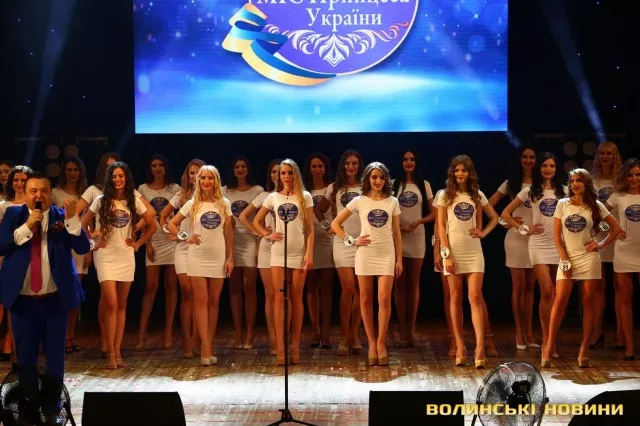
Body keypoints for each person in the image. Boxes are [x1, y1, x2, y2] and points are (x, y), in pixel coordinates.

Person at [0, 172, 89, 424]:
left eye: (44, 190)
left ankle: (53, 410)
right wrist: (27, 227)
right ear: (25, 193)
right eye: (33, 191)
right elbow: (1, 244)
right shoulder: (13, 215)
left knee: (55, 358)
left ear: (51, 194)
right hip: (23, 301)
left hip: (54, 301)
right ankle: (28, 409)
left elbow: (82, 247)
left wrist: (73, 220)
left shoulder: (62, 216)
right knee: (26, 359)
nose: (38, 195)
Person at [81, 162, 156, 369]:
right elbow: (83, 224)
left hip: (125, 255)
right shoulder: (100, 200)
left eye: (121, 176)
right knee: (111, 303)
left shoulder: (133, 200)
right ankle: (110, 353)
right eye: (114, 176)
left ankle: (118, 352)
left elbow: (152, 224)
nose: (118, 179)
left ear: (126, 178)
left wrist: (138, 243)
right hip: (105, 255)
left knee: (121, 305)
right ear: (109, 179)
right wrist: (92, 242)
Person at [543, 168, 620, 368]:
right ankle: (549, 345)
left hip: (589, 258)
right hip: (568, 258)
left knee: (588, 303)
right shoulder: (562, 204)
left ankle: (584, 347)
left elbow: (616, 228)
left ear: (586, 184)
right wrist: (564, 260)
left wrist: (600, 244)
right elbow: (557, 237)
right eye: (572, 181)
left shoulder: (596, 206)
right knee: (559, 301)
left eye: (579, 181)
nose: (575, 184)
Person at [331, 162, 402, 366]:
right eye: (374, 177)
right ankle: (371, 342)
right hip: (364, 254)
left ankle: (381, 343)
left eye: (381, 177)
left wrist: (399, 259)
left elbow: (396, 232)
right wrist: (351, 241)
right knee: (364, 299)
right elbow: (335, 224)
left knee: (384, 299)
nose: (378, 181)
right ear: (368, 179)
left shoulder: (392, 201)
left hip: (386, 254)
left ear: (386, 180)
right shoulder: (359, 201)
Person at [167, 165, 234, 366]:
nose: (206, 181)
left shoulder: (224, 203)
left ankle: (209, 343)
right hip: (196, 256)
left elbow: (229, 233)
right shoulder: (192, 204)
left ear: (216, 181)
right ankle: (204, 347)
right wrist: (185, 237)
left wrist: (230, 258)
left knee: (214, 301)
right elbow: (171, 224)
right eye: (203, 178)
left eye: (210, 178)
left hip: (218, 256)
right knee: (201, 301)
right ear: (198, 181)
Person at [437, 155, 499, 369]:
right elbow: (441, 227)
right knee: (455, 298)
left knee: (474, 297)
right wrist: (446, 254)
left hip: (474, 251)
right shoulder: (445, 195)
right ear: (452, 173)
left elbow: (494, 218)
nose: (460, 173)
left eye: (463, 170)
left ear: (469, 172)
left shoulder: (477, 194)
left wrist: (483, 233)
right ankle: (460, 346)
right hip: (453, 251)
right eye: (456, 170)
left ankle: (480, 347)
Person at [502, 152, 566, 358]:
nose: (548, 169)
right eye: (545, 166)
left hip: (558, 245)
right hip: (537, 244)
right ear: (539, 168)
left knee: (556, 294)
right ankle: (546, 340)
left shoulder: (564, 191)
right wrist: (525, 229)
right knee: (548, 291)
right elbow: (505, 214)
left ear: (557, 169)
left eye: (552, 166)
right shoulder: (530, 191)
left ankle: (551, 340)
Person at [253, 159, 314, 365]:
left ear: (295, 174)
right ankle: (280, 347)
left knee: (296, 298)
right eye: (283, 173)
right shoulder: (273, 197)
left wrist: (309, 253)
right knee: (279, 299)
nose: (286, 176)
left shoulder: (305, 196)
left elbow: (310, 230)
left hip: (299, 252)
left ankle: (295, 346)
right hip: (278, 253)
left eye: (289, 173)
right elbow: (256, 221)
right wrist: (267, 234)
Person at [488, 146, 539, 350]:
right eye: (525, 157)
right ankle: (519, 331)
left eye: (532, 157)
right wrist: (505, 222)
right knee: (518, 286)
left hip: (536, 239)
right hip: (516, 239)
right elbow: (489, 204)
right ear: (519, 159)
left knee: (530, 287)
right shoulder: (511, 183)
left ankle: (529, 332)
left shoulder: (541, 183)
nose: (528, 160)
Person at [159, 158, 205, 358]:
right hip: (184, 249)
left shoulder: (211, 197)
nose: (195, 176)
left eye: (198, 173)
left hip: (203, 249)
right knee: (187, 292)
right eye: (191, 173)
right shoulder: (181, 196)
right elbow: (163, 217)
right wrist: (178, 235)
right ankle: (187, 341)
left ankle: (198, 340)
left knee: (200, 297)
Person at [136, 154, 181, 350]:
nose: (157, 168)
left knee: (171, 286)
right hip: (153, 240)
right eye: (154, 165)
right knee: (150, 287)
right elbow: (143, 218)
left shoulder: (175, 188)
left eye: (161, 165)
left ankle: (168, 332)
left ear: (165, 167)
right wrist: (147, 244)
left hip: (171, 241)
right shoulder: (143, 189)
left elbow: (179, 216)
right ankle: (142, 333)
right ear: (150, 168)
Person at [392, 150, 435, 347]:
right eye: (405, 159)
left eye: (412, 159)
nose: (408, 162)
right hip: (398, 237)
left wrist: (418, 222)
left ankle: (411, 328)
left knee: (414, 283)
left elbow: (434, 213)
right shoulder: (393, 184)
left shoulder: (424, 185)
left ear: (416, 162)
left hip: (416, 237)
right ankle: (402, 328)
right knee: (399, 283)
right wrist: (397, 227)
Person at [238, 159, 281, 355]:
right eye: (274, 172)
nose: (277, 175)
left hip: (287, 249)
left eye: (281, 171)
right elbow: (243, 216)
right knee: (270, 295)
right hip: (267, 248)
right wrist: (261, 232)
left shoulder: (295, 196)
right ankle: (273, 339)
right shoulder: (264, 195)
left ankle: (283, 338)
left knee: (284, 296)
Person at [223, 156, 263, 350]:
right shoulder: (224, 191)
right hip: (231, 242)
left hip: (251, 240)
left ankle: (249, 333)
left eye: (243, 166)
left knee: (250, 287)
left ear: (248, 169)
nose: (240, 169)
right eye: (237, 166)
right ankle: (238, 332)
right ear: (232, 169)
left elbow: (261, 218)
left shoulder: (258, 190)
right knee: (234, 289)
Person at [328, 150, 364, 356]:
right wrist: (327, 225)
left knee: (360, 291)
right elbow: (320, 210)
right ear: (343, 166)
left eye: (354, 163)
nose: (351, 166)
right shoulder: (334, 188)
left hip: (362, 242)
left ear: (359, 166)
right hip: (342, 241)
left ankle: (354, 334)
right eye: (347, 163)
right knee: (348, 288)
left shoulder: (365, 187)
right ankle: (343, 334)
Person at [52, 157, 89, 353]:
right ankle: (61, 336)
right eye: (68, 169)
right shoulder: (55, 193)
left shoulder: (85, 193)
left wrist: (89, 250)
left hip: (79, 244)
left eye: (75, 169)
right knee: (61, 293)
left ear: (80, 171)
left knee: (75, 294)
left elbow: (88, 223)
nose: (72, 173)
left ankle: (71, 335)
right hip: (62, 246)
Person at [605, 158, 640, 360]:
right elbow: (599, 218)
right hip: (624, 252)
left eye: (638, 175)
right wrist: (613, 229)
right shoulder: (617, 196)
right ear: (624, 177)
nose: (634, 178)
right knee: (625, 300)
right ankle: (629, 347)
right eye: (630, 175)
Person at [589, 141, 623, 349]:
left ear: (615, 155)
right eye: (602, 153)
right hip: (599, 236)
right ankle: (597, 330)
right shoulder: (592, 180)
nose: (605, 157)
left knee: (620, 287)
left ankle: (621, 332)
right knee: (598, 287)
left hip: (619, 236)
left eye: (609, 153)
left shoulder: (623, 180)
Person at [0, 165, 34, 362]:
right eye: (16, 180)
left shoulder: (36, 205)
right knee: (11, 303)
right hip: (10, 258)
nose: (19, 184)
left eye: (23, 180)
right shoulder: (4, 206)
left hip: (33, 260)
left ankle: (24, 351)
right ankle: (13, 351)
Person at [303, 153, 334, 349]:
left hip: (328, 241)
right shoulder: (303, 190)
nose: (317, 170)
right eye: (314, 166)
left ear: (325, 168)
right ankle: (315, 329)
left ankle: (326, 332)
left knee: (327, 288)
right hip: (309, 242)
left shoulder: (331, 188)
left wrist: (326, 227)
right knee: (311, 288)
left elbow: (325, 211)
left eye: (320, 166)